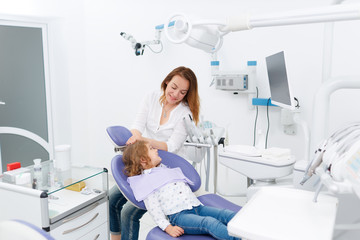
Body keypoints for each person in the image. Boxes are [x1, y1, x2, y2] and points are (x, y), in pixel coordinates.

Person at [109, 66, 200, 240]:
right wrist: (135, 137)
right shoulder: (151, 97)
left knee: (129, 213)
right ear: (166, 81)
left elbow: (172, 146)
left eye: (182, 92)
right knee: (113, 198)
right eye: (173, 87)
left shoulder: (184, 114)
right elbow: (137, 125)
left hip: (167, 169)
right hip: (146, 162)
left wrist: (143, 141)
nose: (175, 94)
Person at [123, 141, 240, 240]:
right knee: (209, 223)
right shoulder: (147, 182)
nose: (156, 150)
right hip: (179, 216)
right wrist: (168, 227)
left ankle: (250, 230)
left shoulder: (164, 170)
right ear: (143, 160)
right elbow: (154, 210)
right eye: (151, 149)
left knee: (225, 214)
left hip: (197, 207)